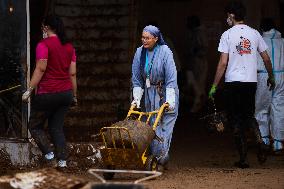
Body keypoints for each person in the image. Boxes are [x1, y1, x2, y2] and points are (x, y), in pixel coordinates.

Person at [208, 1, 275, 168]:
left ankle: (243, 159)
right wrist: (271, 77)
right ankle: (260, 141)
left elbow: (223, 63)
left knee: (236, 119)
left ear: (231, 15)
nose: (226, 19)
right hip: (250, 82)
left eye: (227, 15)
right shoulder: (255, 34)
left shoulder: (227, 35)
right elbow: (266, 58)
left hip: (233, 83)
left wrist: (214, 85)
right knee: (249, 115)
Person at [22, 15, 77, 168]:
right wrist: (75, 95)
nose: (42, 30)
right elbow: (72, 74)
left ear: (46, 28)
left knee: (34, 126)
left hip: (47, 93)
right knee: (56, 128)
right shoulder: (69, 47)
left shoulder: (43, 45)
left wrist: (29, 89)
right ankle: (63, 162)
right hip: (66, 93)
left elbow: (40, 68)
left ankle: (49, 154)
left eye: (42, 27)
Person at [131, 25, 179, 169]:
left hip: (165, 91)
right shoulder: (139, 52)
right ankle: (159, 157)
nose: (144, 41)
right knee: (152, 125)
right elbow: (136, 79)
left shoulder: (165, 52)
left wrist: (170, 101)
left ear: (156, 39)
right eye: (142, 37)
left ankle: (161, 156)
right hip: (149, 93)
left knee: (165, 125)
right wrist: (137, 99)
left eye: (147, 38)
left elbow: (171, 78)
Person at [255, 18, 284, 153]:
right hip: (281, 76)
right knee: (278, 108)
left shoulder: (259, 41)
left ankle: (264, 139)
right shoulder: (282, 41)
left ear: (262, 28)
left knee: (261, 108)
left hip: (263, 75)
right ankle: (278, 143)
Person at [185, 15, 208, 113]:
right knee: (196, 84)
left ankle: (199, 105)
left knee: (197, 84)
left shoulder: (199, 33)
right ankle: (200, 105)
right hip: (196, 61)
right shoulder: (196, 33)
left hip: (198, 61)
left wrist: (194, 52)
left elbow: (203, 48)